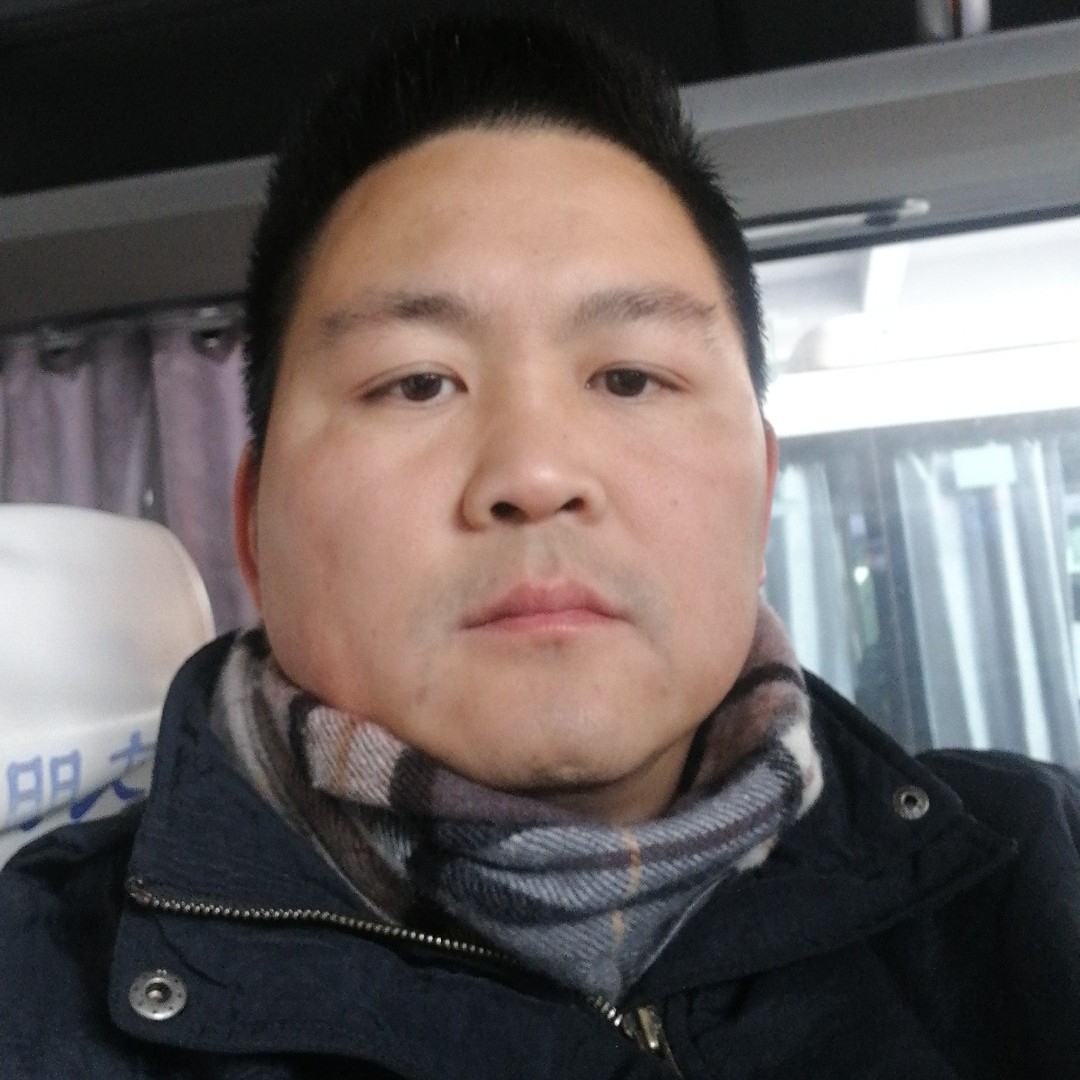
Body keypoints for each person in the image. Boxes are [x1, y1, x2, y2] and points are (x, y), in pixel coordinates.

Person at [2, 13, 1079, 1079]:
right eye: (417, 383)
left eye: (630, 377)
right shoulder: (34, 991)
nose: (535, 472)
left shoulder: (1039, 879)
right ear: (252, 527)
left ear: (760, 494)